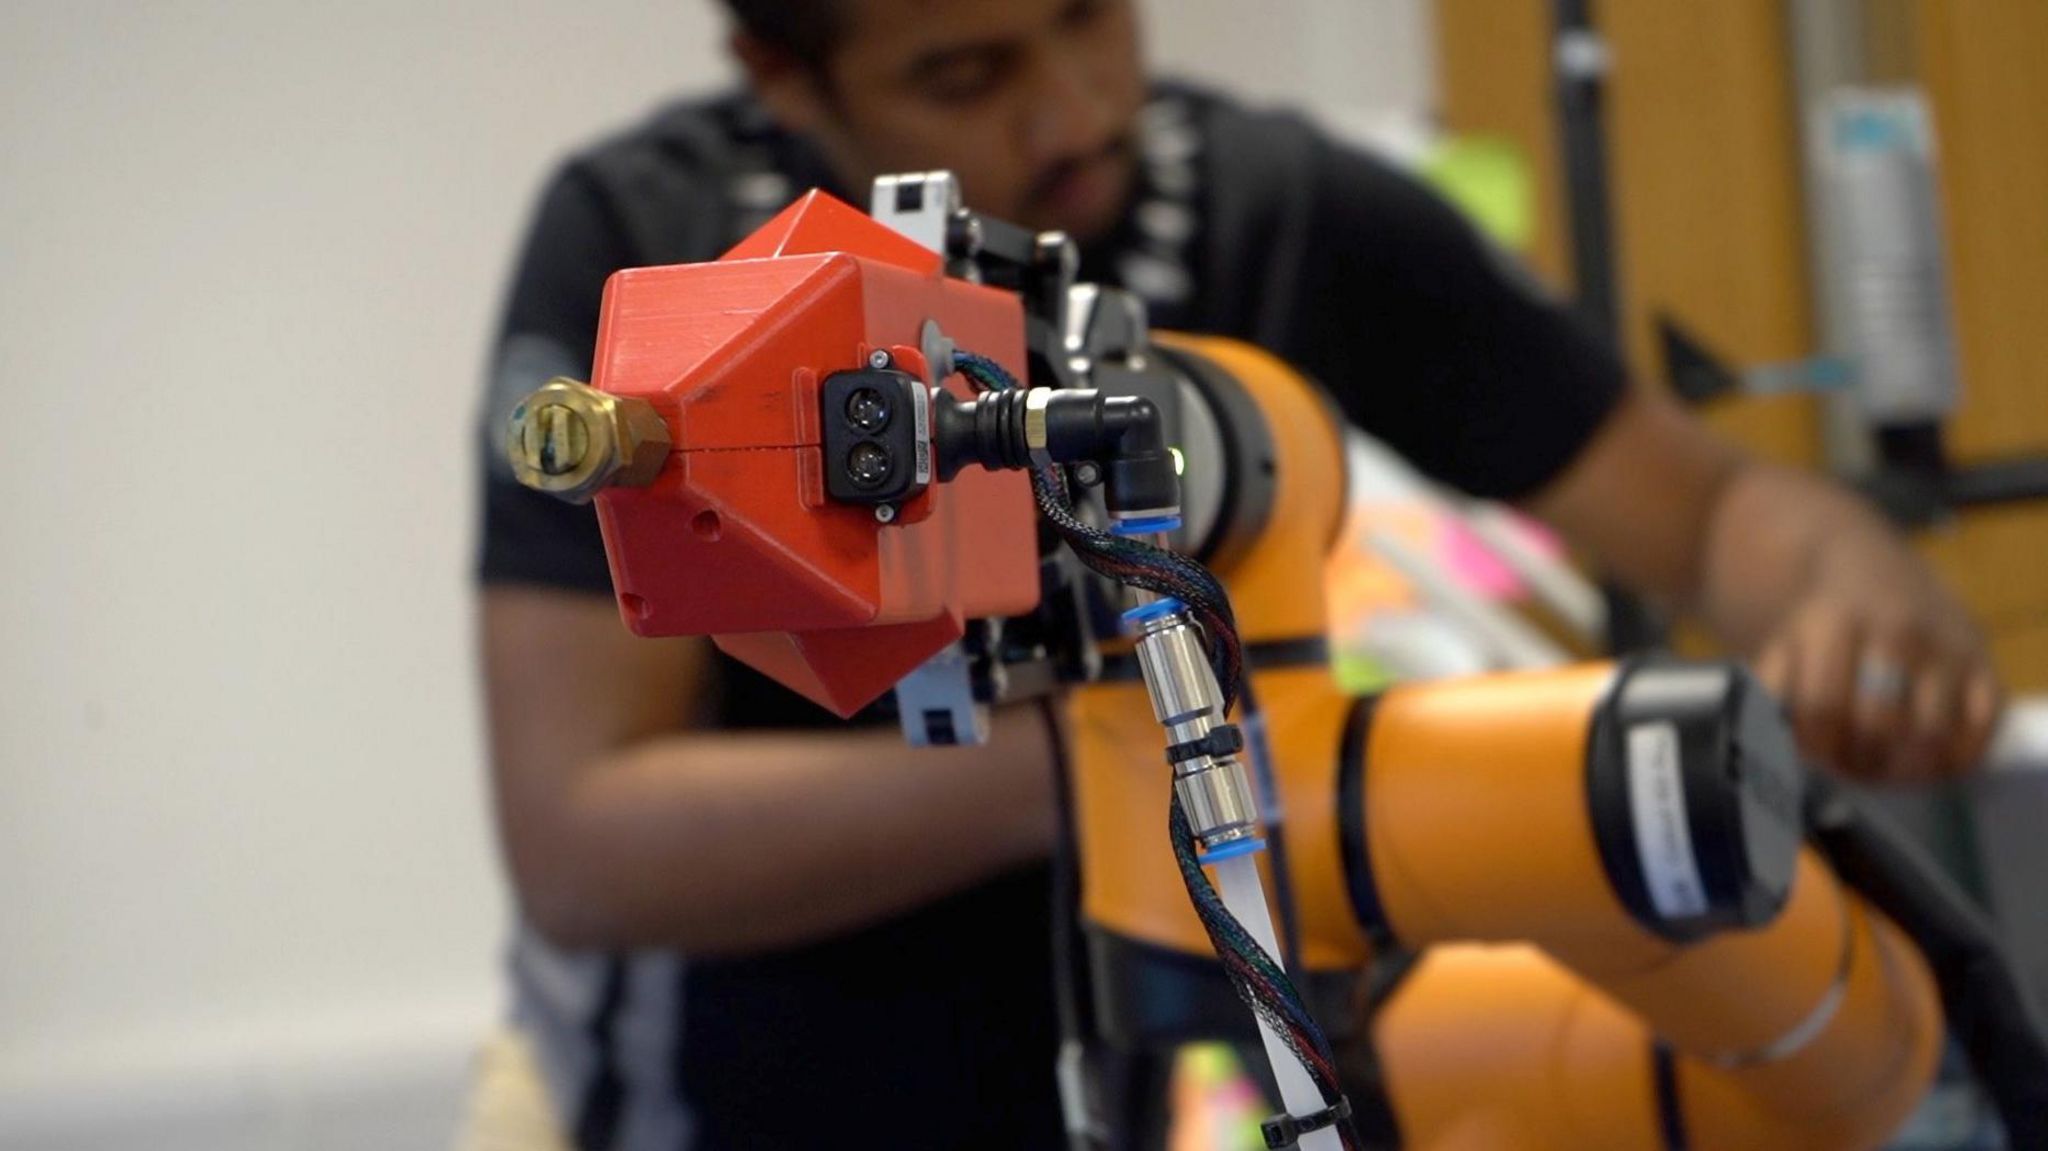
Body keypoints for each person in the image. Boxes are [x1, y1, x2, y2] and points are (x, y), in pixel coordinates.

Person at [471, 1, 2002, 1147]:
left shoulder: (1286, 209)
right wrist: (1139, 754)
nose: (1073, 110)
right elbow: (586, 841)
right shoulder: (653, 262)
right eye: (967, 73)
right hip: (756, 1099)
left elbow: (1722, 511)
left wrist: (1841, 588)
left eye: (1089, 18)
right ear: (783, 75)